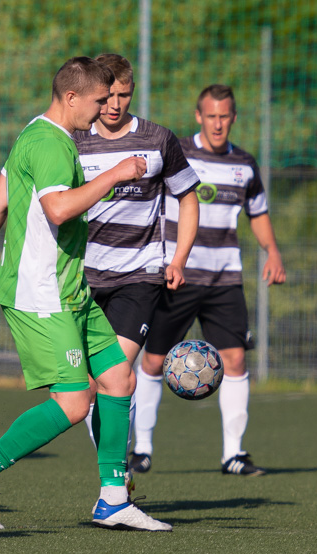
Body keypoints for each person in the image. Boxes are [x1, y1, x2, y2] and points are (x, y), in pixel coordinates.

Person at [0, 57, 170, 531]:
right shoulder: (48, 142)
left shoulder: (38, 133)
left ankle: (113, 499)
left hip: (72, 289)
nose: (104, 108)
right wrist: (115, 174)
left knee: (117, 379)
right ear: (71, 98)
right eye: (97, 100)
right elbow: (60, 208)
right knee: (73, 402)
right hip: (41, 292)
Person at [133, 84, 286, 477]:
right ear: (199, 117)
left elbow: (258, 211)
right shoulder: (176, 153)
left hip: (225, 278)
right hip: (177, 276)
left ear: (234, 118)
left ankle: (233, 454)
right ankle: (142, 448)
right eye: (211, 116)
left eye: (225, 116)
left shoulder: (246, 164)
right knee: (152, 360)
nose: (218, 124)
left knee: (234, 359)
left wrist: (272, 251)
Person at [72, 54, 200, 460]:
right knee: (91, 387)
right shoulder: (74, 139)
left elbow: (189, 197)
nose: (113, 105)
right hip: (83, 276)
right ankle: (113, 467)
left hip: (140, 276)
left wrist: (179, 258)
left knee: (117, 374)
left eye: (123, 96)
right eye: (106, 96)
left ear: (132, 92)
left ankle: (116, 473)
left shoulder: (159, 139)